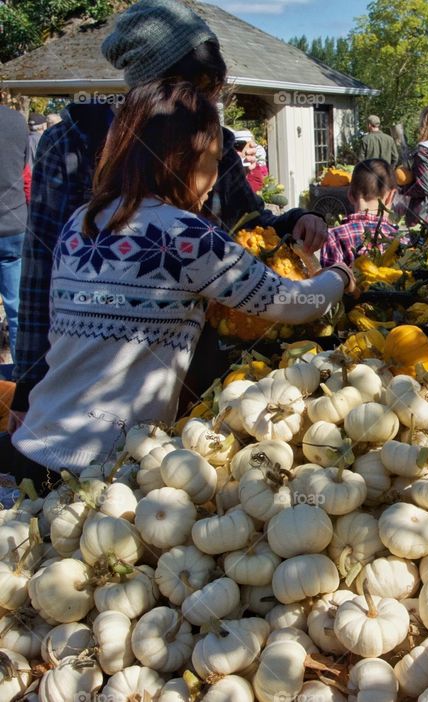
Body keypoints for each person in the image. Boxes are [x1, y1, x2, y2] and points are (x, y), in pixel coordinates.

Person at [4, 81, 353, 483]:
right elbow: (293, 304)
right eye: (212, 160)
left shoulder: (81, 222)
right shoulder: (188, 237)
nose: (215, 176)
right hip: (107, 466)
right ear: (182, 159)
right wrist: (340, 275)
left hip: (35, 443)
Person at [10, 0, 331, 433]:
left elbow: (250, 220)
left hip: (193, 362)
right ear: (152, 86)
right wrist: (28, 383)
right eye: (192, 88)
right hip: (94, 382)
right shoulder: (71, 143)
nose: (201, 103)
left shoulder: (207, 140)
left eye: (208, 91)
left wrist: (295, 220)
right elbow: (38, 270)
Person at [315, 159, 400, 267]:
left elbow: (329, 280)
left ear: (350, 194)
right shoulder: (399, 240)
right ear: (391, 196)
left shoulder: (334, 237)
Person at [0, 106, 28, 358]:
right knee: (17, 305)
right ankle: (20, 373)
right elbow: (24, 168)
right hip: (14, 221)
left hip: (14, 222)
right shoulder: (16, 120)